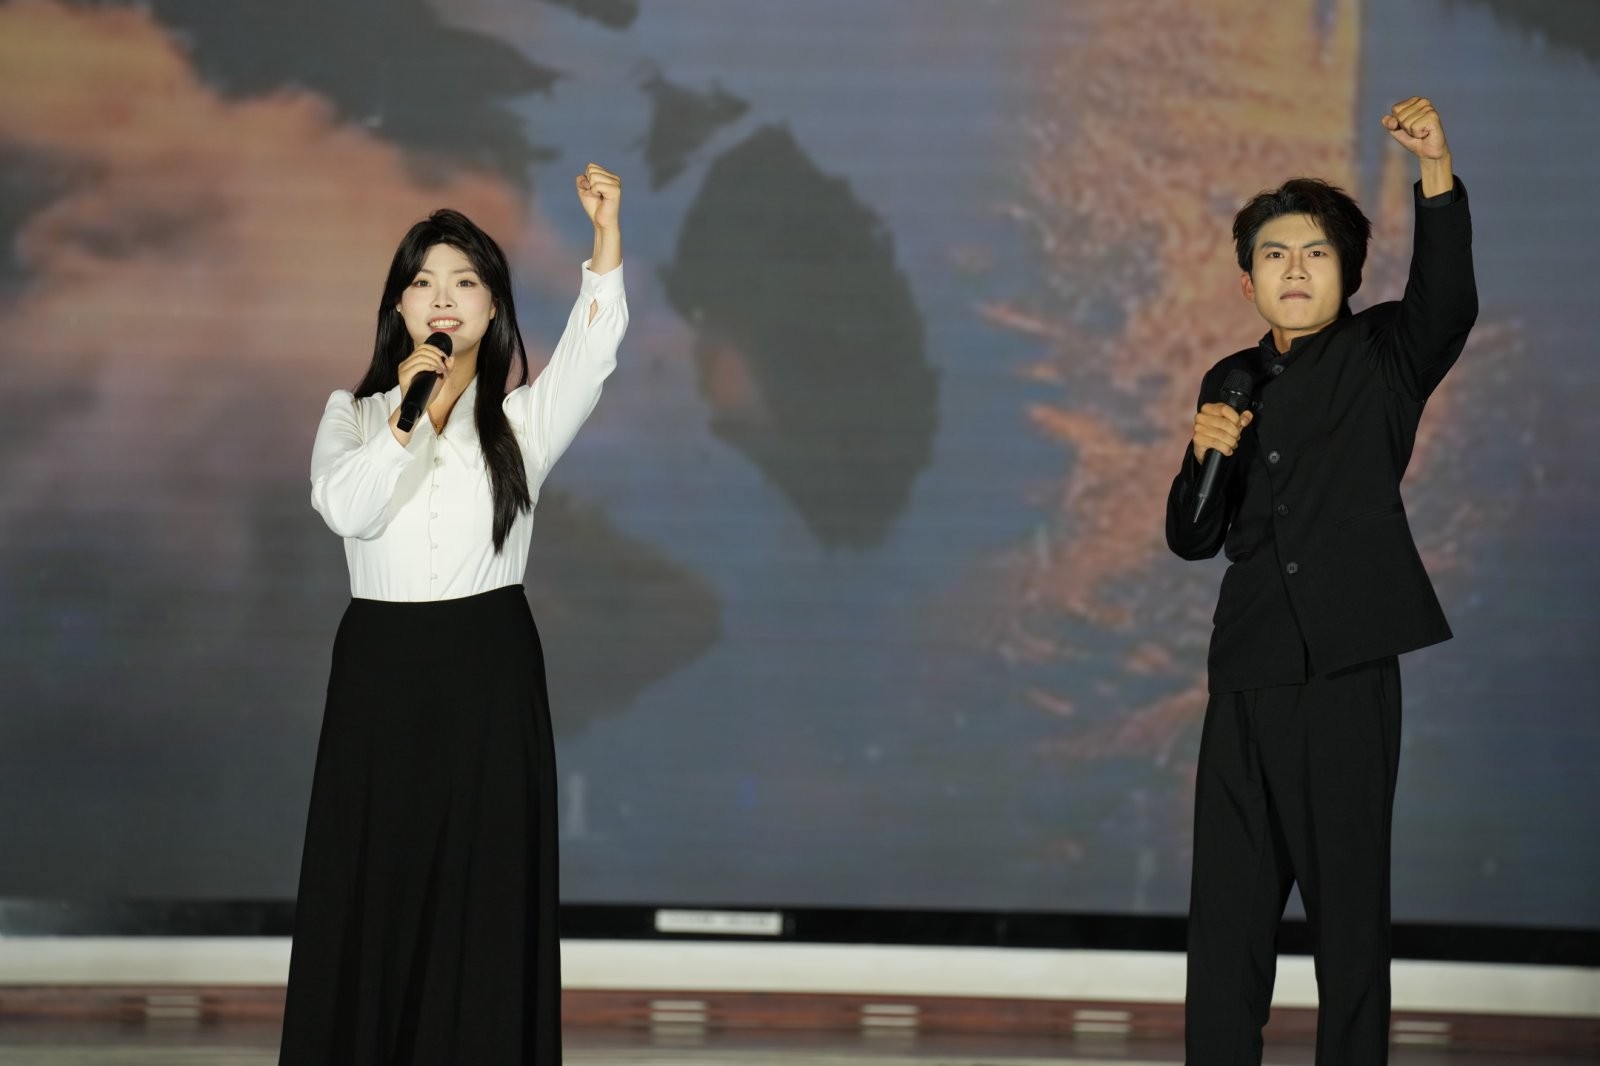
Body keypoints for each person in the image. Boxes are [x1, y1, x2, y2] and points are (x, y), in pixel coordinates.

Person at [279, 164, 627, 1065]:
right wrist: (410, 415)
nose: (443, 298)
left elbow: (591, 352)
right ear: (399, 307)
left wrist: (605, 238)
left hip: (487, 669)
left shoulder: (522, 424)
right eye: (424, 282)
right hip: (380, 673)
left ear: (492, 307)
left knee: (484, 892)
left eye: (465, 281)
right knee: (375, 885)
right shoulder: (354, 417)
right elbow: (346, 509)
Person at [1165, 99, 1477, 1064]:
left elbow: (1446, 302)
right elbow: (1192, 538)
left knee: (1347, 919)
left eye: (1314, 254)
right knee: (1228, 919)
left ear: (1347, 273)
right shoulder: (1230, 378)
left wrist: (1435, 169)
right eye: (1274, 255)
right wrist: (1205, 454)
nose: (1294, 270)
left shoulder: (1383, 357)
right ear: (1247, 279)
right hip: (1248, 670)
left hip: (1347, 670)